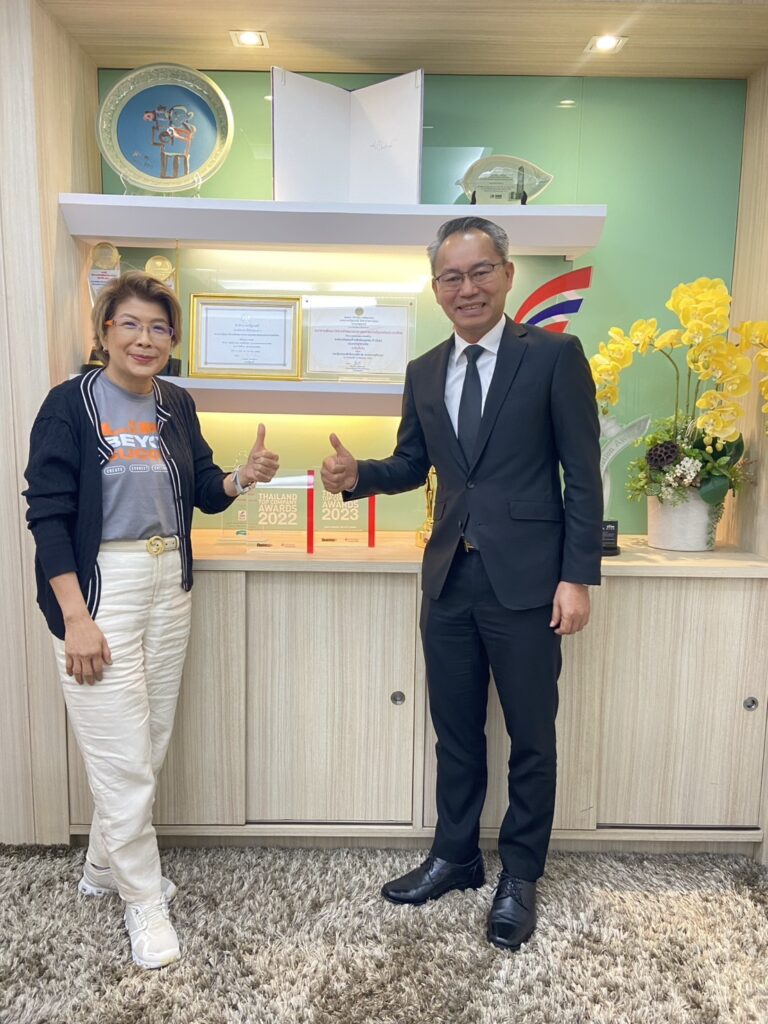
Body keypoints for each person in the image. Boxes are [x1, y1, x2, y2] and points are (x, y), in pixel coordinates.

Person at [321, 216, 602, 951]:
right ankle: (456, 856)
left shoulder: (554, 356)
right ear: (436, 287)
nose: (466, 287)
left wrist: (577, 578)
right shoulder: (423, 370)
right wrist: (357, 477)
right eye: (451, 276)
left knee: (532, 735)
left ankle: (521, 874)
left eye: (480, 272)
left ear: (507, 275)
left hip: (530, 582)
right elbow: (412, 464)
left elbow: (583, 476)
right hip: (448, 578)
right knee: (455, 730)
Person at [23, 271, 279, 969]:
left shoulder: (175, 403)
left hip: (170, 581)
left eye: (159, 328)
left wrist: (242, 477)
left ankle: (103, 867)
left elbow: (203, 489)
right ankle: (143, 901)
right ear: (105, 331)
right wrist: (75, 617)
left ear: (172, 340)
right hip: (101, 585)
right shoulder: (69, 405)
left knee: (150, 740)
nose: (145, 338)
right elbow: (47, 515)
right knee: (121, 756)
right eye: (130, 324)